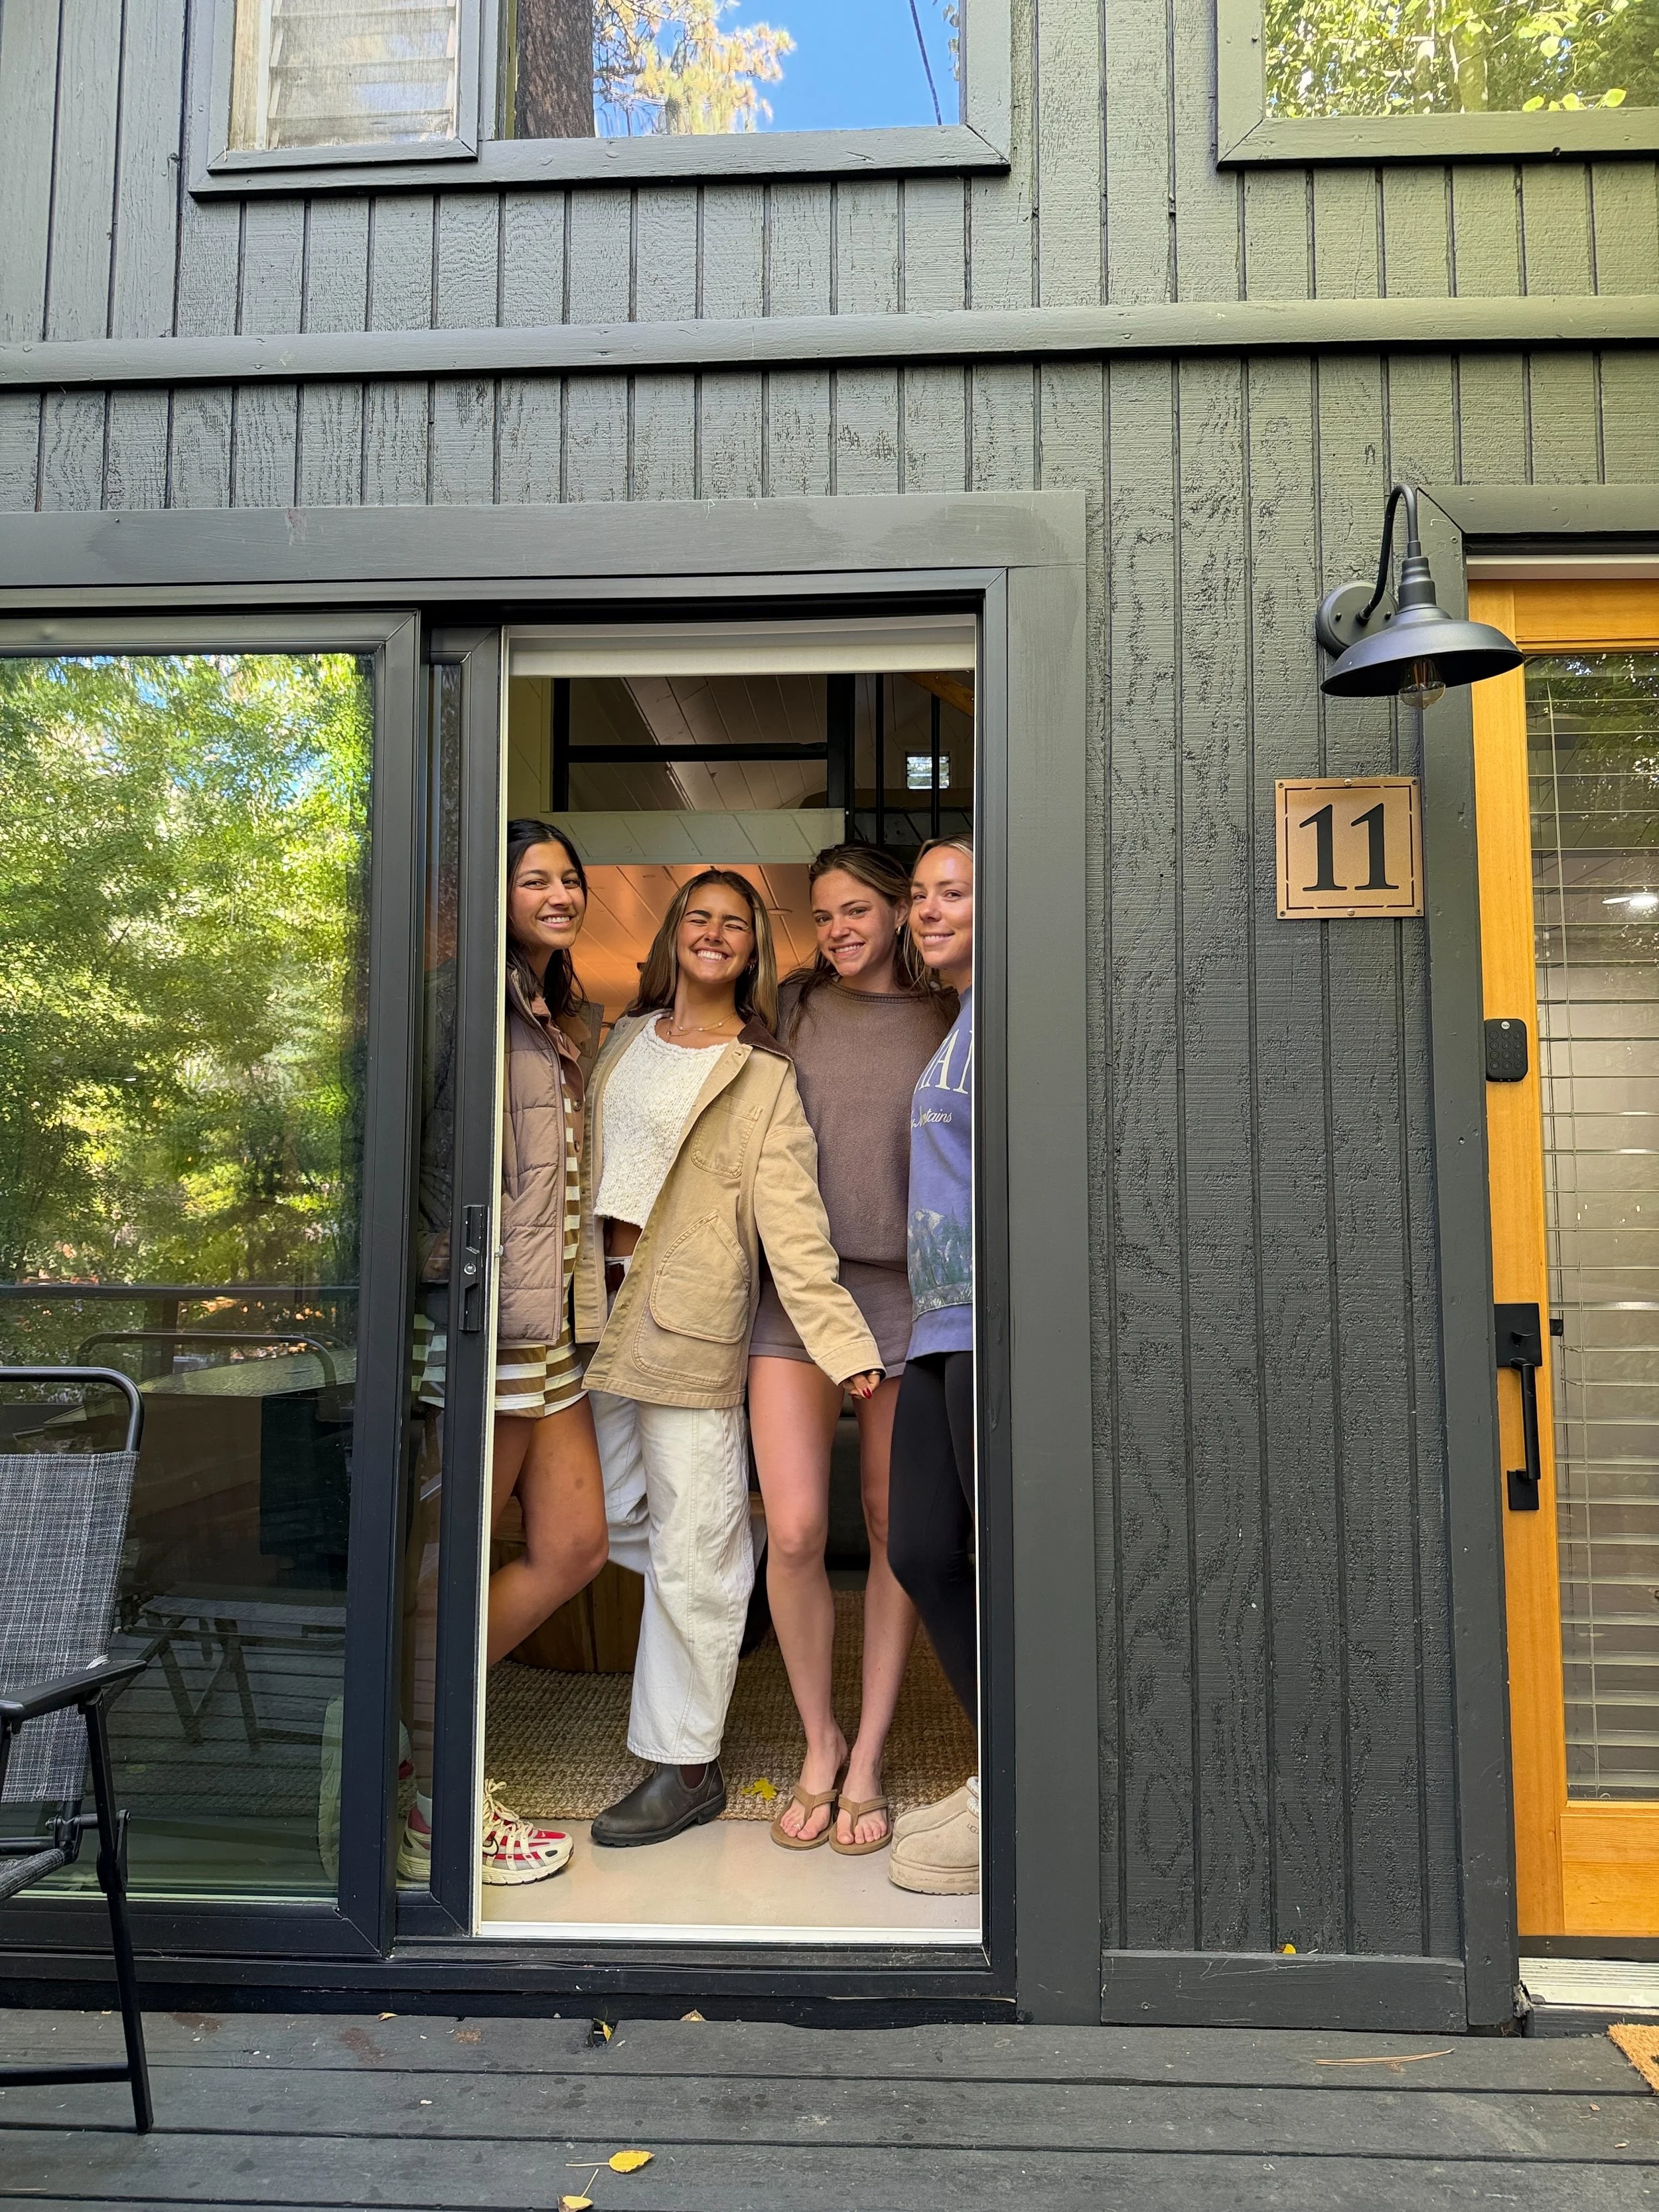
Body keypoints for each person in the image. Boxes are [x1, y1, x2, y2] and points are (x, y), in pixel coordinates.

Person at [573, 868, 884, 1849]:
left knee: (694, 1547)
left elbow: (793, 1229)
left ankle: (685, 1765)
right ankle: (722, 1583)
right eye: (699, 918)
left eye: (735, 925)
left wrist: (842, 1346)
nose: (714, 934)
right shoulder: (617, 1041)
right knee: (600, 1519)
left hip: (691, 1325)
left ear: (752, 950)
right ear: (673, 935)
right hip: (591, 1313)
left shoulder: (764, 1075)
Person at [401, 822, 610, 1886]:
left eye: (568, 878)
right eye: (536, 878)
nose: (559, 892)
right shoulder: (456, 998)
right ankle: (436, 1799)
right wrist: (441, 1260)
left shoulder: (559, 1009)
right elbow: (402, 1145)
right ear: (496, 894)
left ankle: (404, 1721)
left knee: (575, 1546)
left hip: (552, 1326)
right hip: (483, 1317)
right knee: (454, 1562)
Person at [749, 846, 955, 1854]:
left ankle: (867, 1753)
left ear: (899, 912)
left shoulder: (950, 1014)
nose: (837, 928)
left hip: (906, 1300)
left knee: (886, 1524)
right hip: (793, 1297)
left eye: (857, 909)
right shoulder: (791, 1011)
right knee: (792, 1531)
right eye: (823, 914)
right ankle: (817, 1740)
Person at [885, 836, 979, 1897]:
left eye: (953, 893)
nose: (928, 911)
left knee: (994, 1558)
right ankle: (1005, 1760)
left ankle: (1015, 1792)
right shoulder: (959, 1024)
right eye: (919, 897)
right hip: (935, 1325)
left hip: (987, 1324)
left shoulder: (1003, 1021)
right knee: (918, 1548)